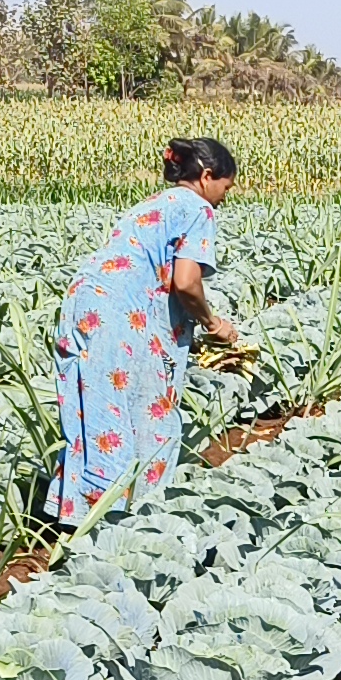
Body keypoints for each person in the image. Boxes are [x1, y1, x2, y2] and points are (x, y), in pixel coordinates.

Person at [46, 138, 244, 525]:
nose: (224, 197)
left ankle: (77, 515)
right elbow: (186, 283)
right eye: (226, 187)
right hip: (121, 315)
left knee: (94, 414)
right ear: (207, 177)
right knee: (147, 416)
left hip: (85, 305)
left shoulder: (154, 203)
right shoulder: (198, 209)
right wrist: (213, 323)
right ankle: (127, 519)